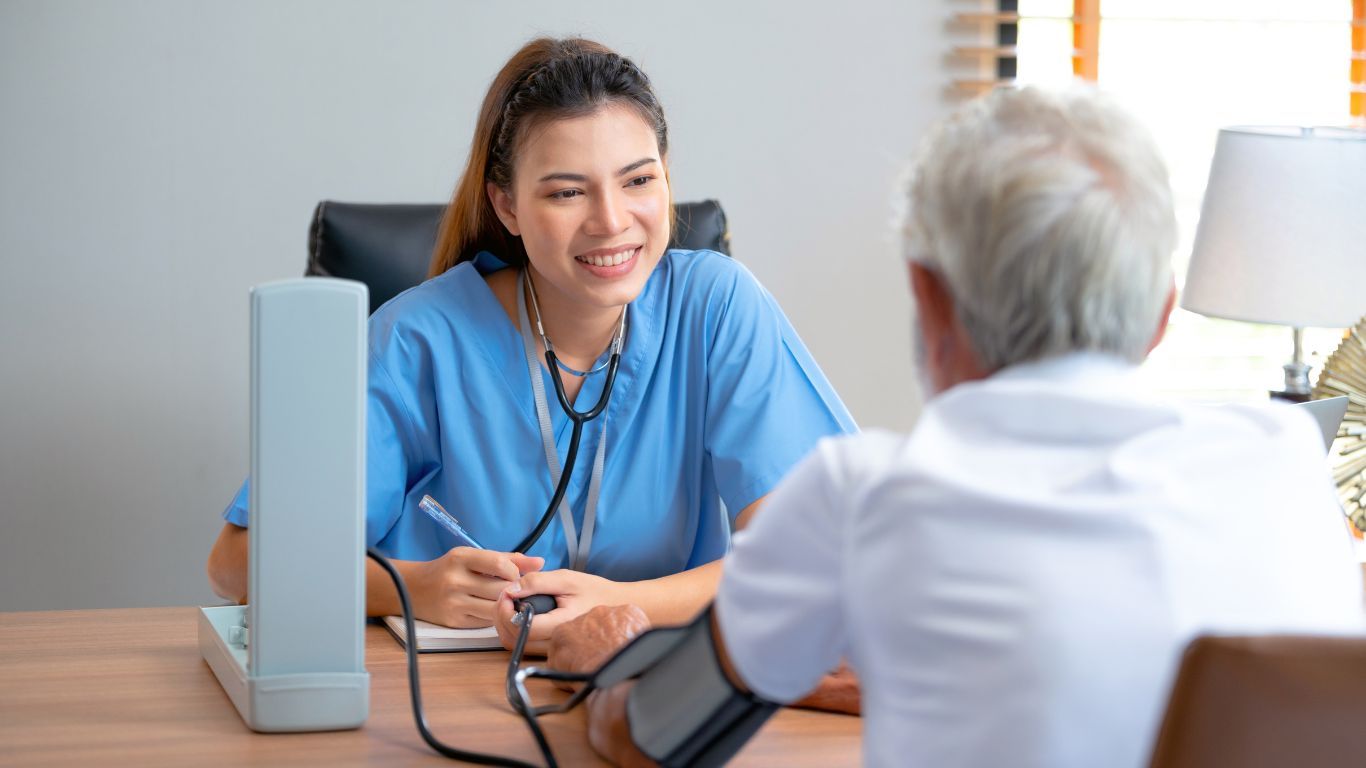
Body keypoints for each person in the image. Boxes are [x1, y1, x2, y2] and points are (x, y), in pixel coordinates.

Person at [548, 85, 1366, 767]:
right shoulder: (1288, 464)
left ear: (928, 296)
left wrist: (615, 663)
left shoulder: (860, 499)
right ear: (1160, 314)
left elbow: (654, 739)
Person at [205, 37, 855, 651]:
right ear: (507, 205)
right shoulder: (419, 339)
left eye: (637, 180)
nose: (610, 221)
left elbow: (815, 556)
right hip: (449, 697)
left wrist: (622, 607)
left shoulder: (717, 306)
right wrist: (409, 585)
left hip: (650, 681)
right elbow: (236, 561)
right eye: (568, 192)